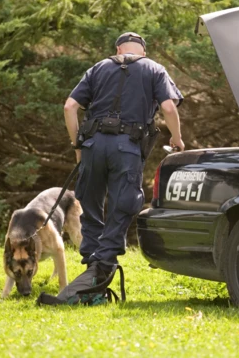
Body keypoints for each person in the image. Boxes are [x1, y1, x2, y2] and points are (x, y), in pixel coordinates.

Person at [63, 32, 185, 289]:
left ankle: (92, 267)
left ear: (118, 49)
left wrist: (77, 145)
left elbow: (69, 107)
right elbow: (169, 108)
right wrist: (177, 138)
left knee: (91, 205)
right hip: (126, 149)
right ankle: (102, 264)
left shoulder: (98, 67)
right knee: (124, 204)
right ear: (143, 52)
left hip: (93, 146)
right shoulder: (154, 68)